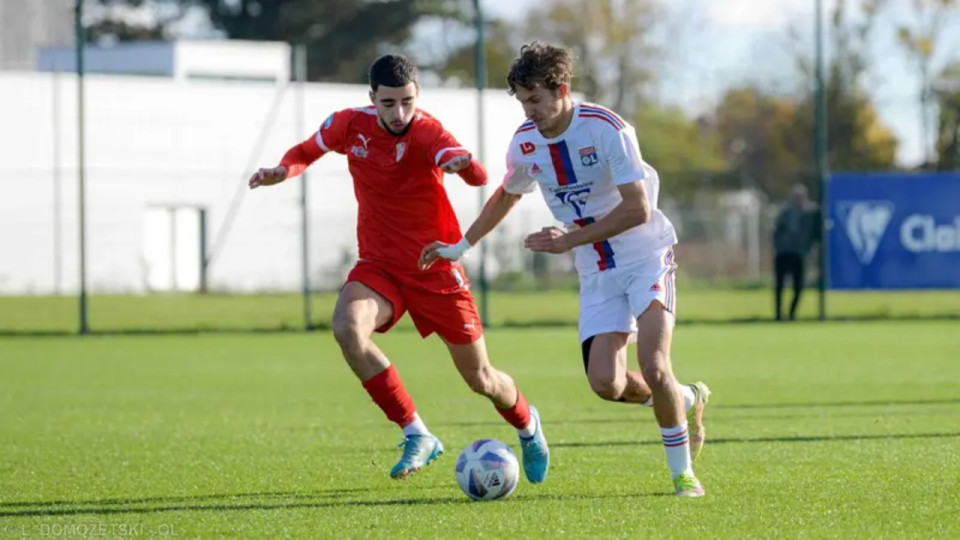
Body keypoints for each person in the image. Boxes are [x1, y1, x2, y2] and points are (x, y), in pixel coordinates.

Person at [421, 42, 710, 497]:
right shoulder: (526, 141)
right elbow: (507, 194)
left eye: (535, 98)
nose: (528, 109)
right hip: (597, 270)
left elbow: (637, 209)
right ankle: (684, 397)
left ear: (562, 88)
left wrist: (568, 239)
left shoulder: (607, 129)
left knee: (654, 364)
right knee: (605, 384)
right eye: (522, 100)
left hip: (644, 256)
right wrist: (461, 245)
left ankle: (683, 475)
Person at [248, 54, 549, 483]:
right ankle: (417, 433)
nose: (399, 113)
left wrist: (463, 165)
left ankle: (527, 424)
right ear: (373, 98)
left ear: (417, 95)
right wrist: (283, 169)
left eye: (406, 101)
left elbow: (481, 178)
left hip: (435, 268)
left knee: (481, 379)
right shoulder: (348, 124)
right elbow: (305, 151)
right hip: (380, 266)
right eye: (388, 103)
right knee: (348, 329)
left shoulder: (428, 131)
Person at [773, 184, 818, 321]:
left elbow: (814, 231)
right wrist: (778, 246)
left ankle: (792, 314)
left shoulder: (810, 213)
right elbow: (777, 231)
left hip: (799, 254)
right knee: (779, 285)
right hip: (783, 253)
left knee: (798, 286)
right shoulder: (785, 212)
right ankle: (779, 314)